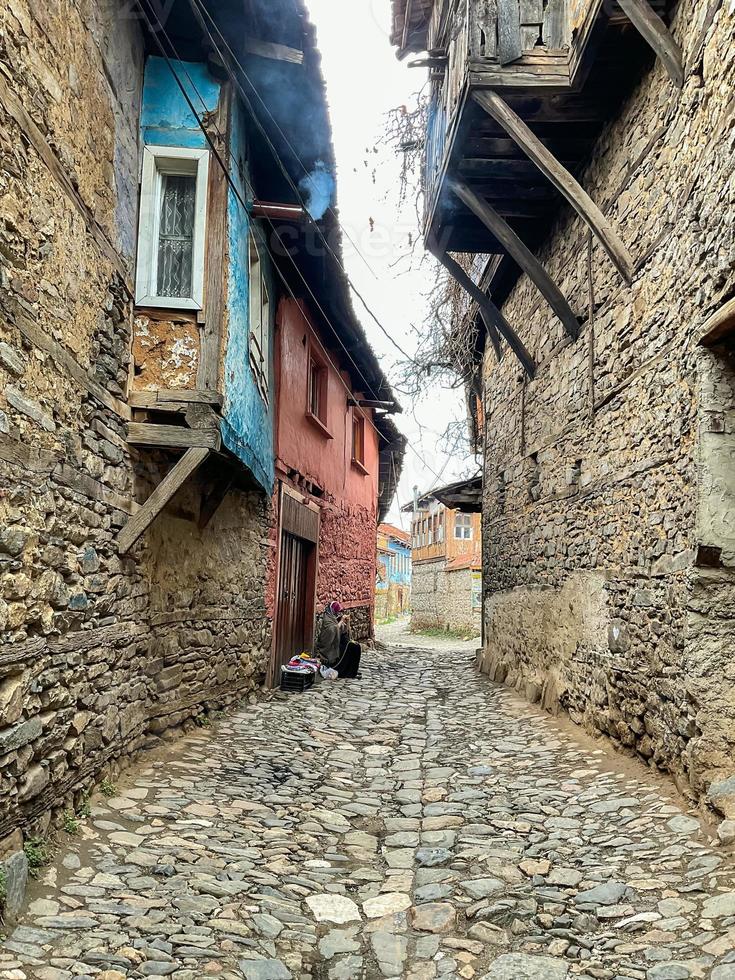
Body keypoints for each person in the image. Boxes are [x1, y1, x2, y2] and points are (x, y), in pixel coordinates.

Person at [314, 601, 362, 679]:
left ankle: (352, 672)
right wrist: (341, 622)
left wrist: (347, 622)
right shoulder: (327, 619)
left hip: (336, 644)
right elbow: (330, 632)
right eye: (336, 611)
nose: (337, 613)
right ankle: (346, 672)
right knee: (350, 647)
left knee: (356, 647)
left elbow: (343, 632)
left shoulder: (333, 618)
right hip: (330, 649)